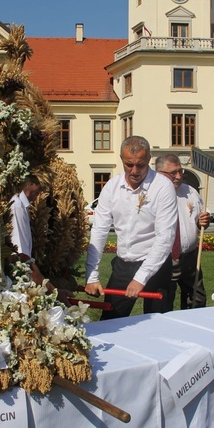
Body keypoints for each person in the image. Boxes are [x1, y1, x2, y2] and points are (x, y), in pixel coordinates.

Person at [84, 135, 178, 319]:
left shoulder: (163, 187)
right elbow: (99, 231)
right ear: (121, 159)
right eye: (129, 165)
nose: (134, 171)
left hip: (156, 266)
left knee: (159, 325)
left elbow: (165, 237)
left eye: (140, 165)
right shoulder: (111, 187)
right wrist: (92, 275)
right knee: (111, 322)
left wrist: (141, 278)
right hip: (124, 265)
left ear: (149, 159)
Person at [155, 155, 211, 310]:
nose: (179, 176)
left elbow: (201, 220)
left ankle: (193, 329)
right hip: (165, 259)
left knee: (197, 300)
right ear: (159, 172)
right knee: (164, 302)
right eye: (173, 173)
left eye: (180, 171)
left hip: (190, 257)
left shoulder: (190, 192)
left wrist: (203, 221)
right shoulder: (151, 194)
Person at [9, 175, 71, 302]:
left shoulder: (22, 206)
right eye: (39, 185)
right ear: (29, 183)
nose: (41, 191)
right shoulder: (17, 207)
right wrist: (52, 291)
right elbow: (22, 257)